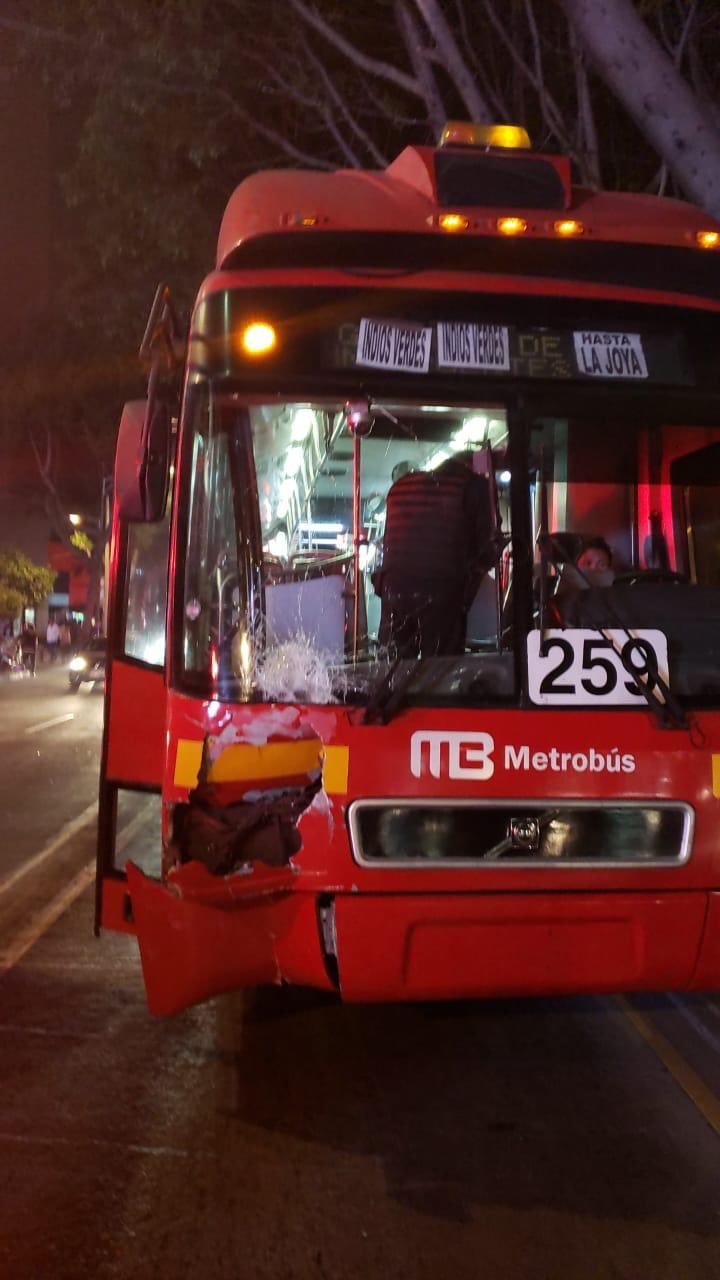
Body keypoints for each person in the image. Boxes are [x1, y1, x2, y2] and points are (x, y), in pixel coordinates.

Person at [376, 451, 495, 657]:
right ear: (474, 466)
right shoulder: (473, 484)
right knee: (440, 666)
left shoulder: (401, 487)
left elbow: (390, 545)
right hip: (441, 589)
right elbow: (485, 546)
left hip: (393, 589)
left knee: (395, 668)